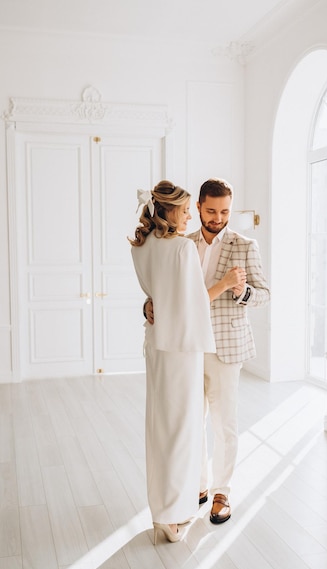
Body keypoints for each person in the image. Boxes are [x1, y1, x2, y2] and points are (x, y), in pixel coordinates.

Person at [145, 177, 270, 525]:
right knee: (190, 421)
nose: (218, 218)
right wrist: (148, 306)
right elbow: (165, 291)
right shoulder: (181, 243)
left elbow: (264, 294)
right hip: (186, 349)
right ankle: (197, 486)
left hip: (226, 349)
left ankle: (222, 493)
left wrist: (242, 292)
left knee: (224, 423)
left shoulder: (245, 245)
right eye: (211, 210)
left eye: (225, 211)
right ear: (198, 206)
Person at [129, 180, 239, 543]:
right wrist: (223, 284)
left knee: (159, 428)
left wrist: (150, 306)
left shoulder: (140, 246)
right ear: (170, 210)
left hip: (156, 346)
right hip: (183, 350)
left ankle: (163, 510)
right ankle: (173, 519)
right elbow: (192, 304)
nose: (190, 214)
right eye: (187, 208)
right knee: (182, 431)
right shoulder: (181, 249)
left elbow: (154, 298)